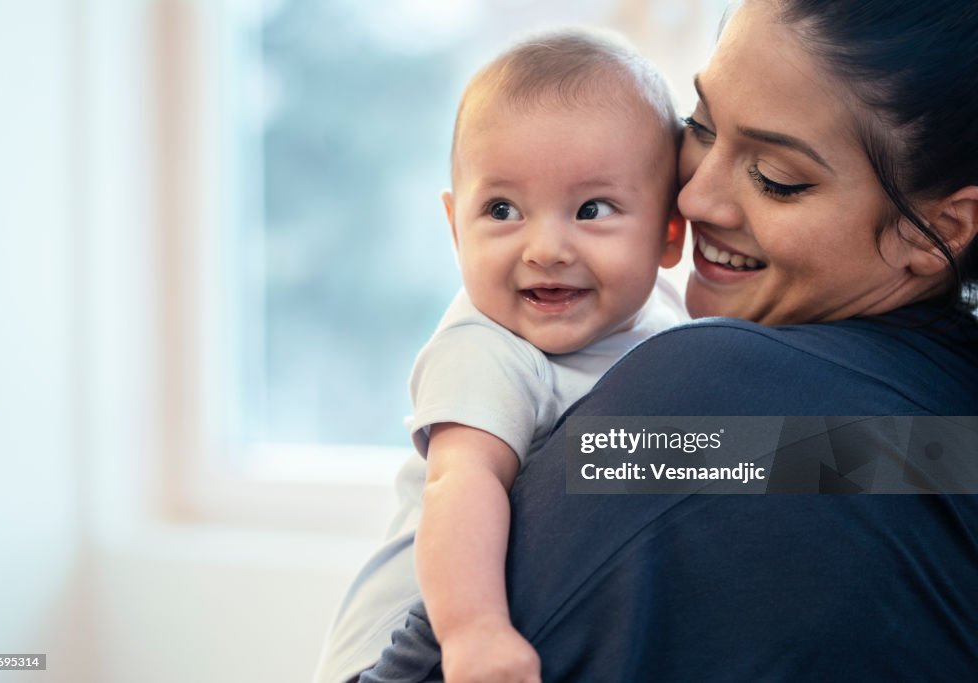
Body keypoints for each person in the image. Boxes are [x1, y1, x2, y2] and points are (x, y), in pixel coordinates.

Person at [361, 0, 978, 680]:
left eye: (778, 177)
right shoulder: (942, 417)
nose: (690, 198)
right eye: (702, 128)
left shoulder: (711, 398)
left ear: (943, 229)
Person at [313, 30, 688, 683]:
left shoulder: (662, 312)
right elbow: (462, 480)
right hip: (409, 656)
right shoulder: (486, 346)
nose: (545, 247)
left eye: (592, 209)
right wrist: (474, 632)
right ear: (456, 227)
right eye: (503, 209)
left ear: (668, 234)